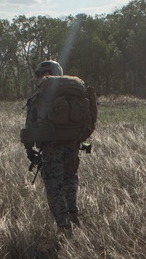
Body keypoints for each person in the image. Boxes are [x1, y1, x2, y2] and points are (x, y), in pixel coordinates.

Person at [22, 60, 93, 234]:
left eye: (39, 74)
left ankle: (64, 227)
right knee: (69, 179)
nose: (37, 78)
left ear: (45, 74)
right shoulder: (74, 93)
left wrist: (30, 151)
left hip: (51, 147)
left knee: (54, 186)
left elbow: (30, 127)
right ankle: (73, 215)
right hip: (73, 145)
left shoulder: (40, 96)